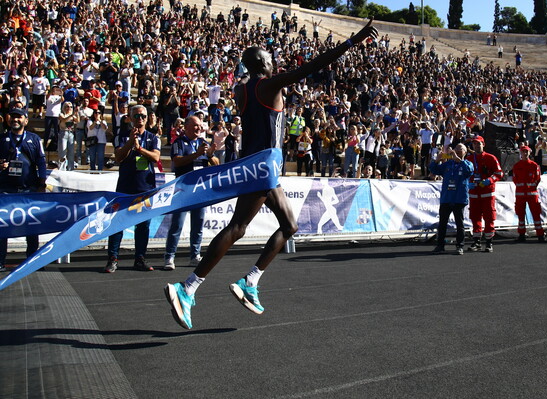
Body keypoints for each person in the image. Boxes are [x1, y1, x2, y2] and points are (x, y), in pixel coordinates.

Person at [165, 19, 378, 330]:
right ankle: (188, 287)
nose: (274, 59)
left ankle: (250, 281)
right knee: (237, 226)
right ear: (262, 63)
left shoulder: (242, 90)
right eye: (269, 57)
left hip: (260, 165)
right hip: (262, 166)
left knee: (290, 225)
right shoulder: (268, 85)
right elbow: (311, 68)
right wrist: (351, 42)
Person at [104, 105, 161, 273]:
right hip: (125, 187)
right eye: (136, 116)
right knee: (118, 224)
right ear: (130, 117)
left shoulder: (152, 137)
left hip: (145, 188)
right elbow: (119, 157)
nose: (140, 119)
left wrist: (140, 149)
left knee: (143, 226)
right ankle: (112, 259)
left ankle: (140, 259)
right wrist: (130, 142)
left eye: (143, 116)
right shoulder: (121, 136)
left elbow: (156, 157)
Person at [163, 116, 216, 271]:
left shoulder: (203, 144)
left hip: (200, 191)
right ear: (186, 126)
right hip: (183, 190)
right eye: (195, 126)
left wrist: (211, 155)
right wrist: (196, 154)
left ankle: (195, 255)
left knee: (198, 224)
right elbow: (177, 162)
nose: (198, 129)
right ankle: (170, 256)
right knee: (177, 224)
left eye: (200, 126)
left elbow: (217, 165)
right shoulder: (178, 143)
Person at [0, 108, 47, 272]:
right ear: (8, 120)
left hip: (29, 189)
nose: (16, 120)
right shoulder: (2, 139)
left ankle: (32, 259)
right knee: (3, 226)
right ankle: (0, 261)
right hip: (6, 190)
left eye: (19, 117)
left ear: (26, 120)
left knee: (31, 226)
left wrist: (42, 184)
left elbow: (41, 162)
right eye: (13, 117)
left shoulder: (34, 139)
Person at [429, 144, 474, 255]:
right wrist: (437, 160)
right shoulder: (448, 164)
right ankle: (440, 245)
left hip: (459, 198)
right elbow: (433, 170)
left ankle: (460, 246)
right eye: (456, 149)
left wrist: (459, 160)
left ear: (465, 152)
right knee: (442, 223)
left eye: (460, 149)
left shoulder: (468, 163)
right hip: (447, 198)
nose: (458, 151)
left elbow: (468, 172)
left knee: (460, 223)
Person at [466, 136, 503, 252]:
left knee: (489, 217)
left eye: (479, 144)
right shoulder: (469, 159)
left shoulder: (491, 158)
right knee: (475, 217)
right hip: (474, 193)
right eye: (474, 144)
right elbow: (464, 175)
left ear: (483, 144)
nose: (477, 146)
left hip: (487, 193)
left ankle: (489, 242)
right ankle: (476, 241)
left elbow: (499, 173)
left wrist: (489, 180)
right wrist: (468, 183)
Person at [512, 145, 547, 243]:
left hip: (532, 194)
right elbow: (515, 179)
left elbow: (538, 178)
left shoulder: (534, 165)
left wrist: (530, 187)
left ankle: (540, 235)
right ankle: (522, 235)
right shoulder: (517, 166)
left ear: (529, 153)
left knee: (536, 214)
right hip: (520, 194)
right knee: (520, 215)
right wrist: (522, 187)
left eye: (526, 152)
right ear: (521, 153)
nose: (525, 153)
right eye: (523, 152)